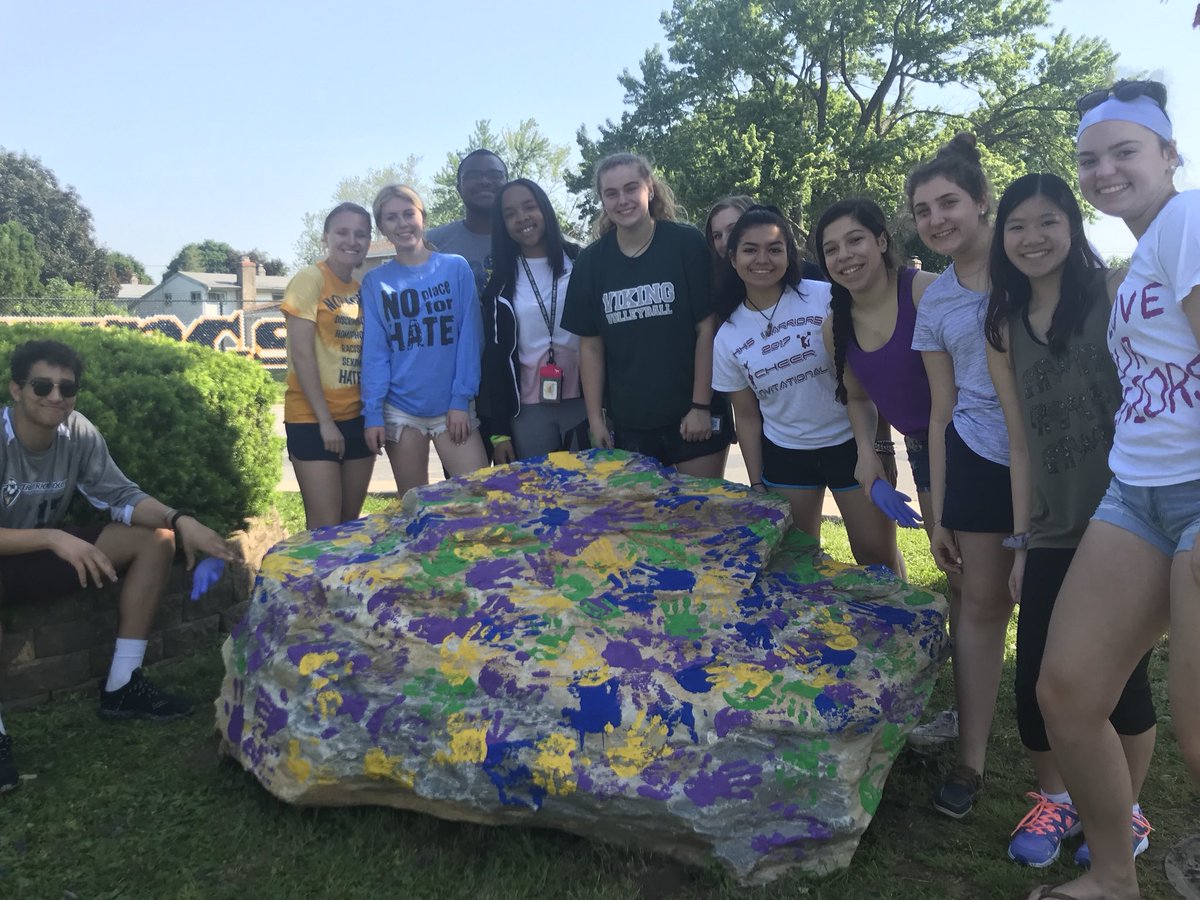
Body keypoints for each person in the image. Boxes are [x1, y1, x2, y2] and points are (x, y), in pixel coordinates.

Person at [1028, 80, 1199, 900]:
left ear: (1170, 154)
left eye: (1125, 151)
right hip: (1137, 494)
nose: (1104, 171)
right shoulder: (1139, 260)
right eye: (1090, 159)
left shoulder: (1191, 219)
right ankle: (1112, 878)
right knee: (1066, 693)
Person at [984, 173, 1156, 871]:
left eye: (1048, 221)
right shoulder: (1001, 325)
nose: (1033, 237)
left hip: (1129, 520)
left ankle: (1125, 809)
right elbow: (1020, 441)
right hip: (1055, 527)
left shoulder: (1114, 293)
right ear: (1003, 238)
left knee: (1123, 684)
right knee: (1036, 685)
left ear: (1072, 225)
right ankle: (1056, 799)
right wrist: (1023, 540)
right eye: (1018, 225)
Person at [0, 339, 232, 791]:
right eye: (42, 385)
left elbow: (120, 496)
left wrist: (182, 520)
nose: (55, 397)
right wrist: (53, 537)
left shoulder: (77, 433)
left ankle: (123, 686)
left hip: (40, 556)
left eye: (66, 389)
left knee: (155, 540)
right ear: (16, 389)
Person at [908, 133, 1015, 819]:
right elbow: (940, 413)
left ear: (982, 203)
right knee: (979, 609)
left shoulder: (1034, 266)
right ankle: (970, 761)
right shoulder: (936, 301)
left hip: (1059, 461)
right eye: (922, 210)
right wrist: (941, 510)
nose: (936, 218)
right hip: (976, 456)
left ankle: (1068, 760)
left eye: (948, 202)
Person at [711, 204, 901, 569]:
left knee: (878, 560)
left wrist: (880, 447)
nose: (762, 259)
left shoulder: (827, 295)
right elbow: (747, 417)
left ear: (789, 254)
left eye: (774, 248)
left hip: (851, 446)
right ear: (733, 258)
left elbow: (867, 380)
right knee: (797, 565)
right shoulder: (728, 335)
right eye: (750, 249)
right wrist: (757, 485)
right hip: (787, 457)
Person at [561, 152, 732, 478]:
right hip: (631, 424)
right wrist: (596, 419)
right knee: (643, 524)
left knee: (699, 520)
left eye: (631, 188)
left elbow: (707, 329)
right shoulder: (591, 262)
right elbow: (590, 346)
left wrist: (700, 406)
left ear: (649, 189)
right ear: (602, 199)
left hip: (693, 415)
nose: (622, 200)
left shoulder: (685, 243)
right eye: (611, 193)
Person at [360, 185, 487, 496]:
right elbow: (376, 352)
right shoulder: (375, 282)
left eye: (408, 214)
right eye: (391, 218)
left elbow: (470, 338)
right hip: (401, 410)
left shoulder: (455, 267)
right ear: (382, 227)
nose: (402, 223)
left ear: (422, 217)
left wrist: (460, 400)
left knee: (481, 496)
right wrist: (373, 412)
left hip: (451, 408)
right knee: (414, 504)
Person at [478, 179, 588, 461]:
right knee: (538, 497)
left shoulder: (582, 262)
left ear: (545, 210)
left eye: (529, 207)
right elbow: (496, 360)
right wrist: (499, 433)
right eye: (510, 213)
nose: (522, 218)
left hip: (584, 401)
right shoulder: (500, 285)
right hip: (528, 409)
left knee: (588, 494)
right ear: (502, 224)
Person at [281, 202, 376, 529]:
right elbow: (302, 354)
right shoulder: (310, 279)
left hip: (356, 418)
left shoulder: (361, 290)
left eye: (361, 234)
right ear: (326, 237)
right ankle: (311, 583)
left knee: (348, 525)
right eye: (343, 232)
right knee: (324, 528)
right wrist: (325, 421)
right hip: (312, 418)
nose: (352, 241)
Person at [426, 149, 509, 295]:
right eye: (473, 175)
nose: (484, 181)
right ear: (459, 188)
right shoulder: (430, 243)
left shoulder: (529, 238)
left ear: (507, 183)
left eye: (494, 175)